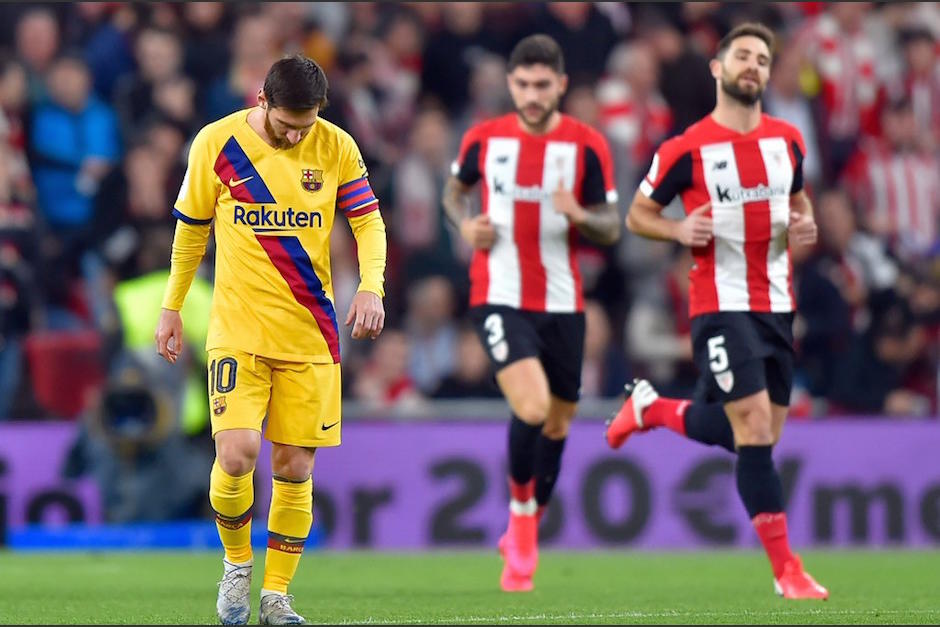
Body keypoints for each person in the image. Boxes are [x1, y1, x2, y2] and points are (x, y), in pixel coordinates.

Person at [154, 54, 387, 625]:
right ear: (262, 99)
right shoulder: (217, 143)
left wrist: (372, 288)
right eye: (287, 124)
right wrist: (172, 307)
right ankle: (236, 567)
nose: (296, 134)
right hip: (238, 329)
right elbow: (190, 233)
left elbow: (367, 221)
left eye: (306, 124)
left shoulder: (336, 146)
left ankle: (277, 595)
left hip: (311, 334)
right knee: (236, 455)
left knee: (293, 468)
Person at [605, 23, 829, 600]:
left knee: (754, 436)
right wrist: (678, 227)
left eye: (761, 58)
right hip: (718, 303)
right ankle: (788, 572)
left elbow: (800, 203)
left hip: (778, 306)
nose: (752, 65)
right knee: (753, 425)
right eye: (742, 56)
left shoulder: (788, 141)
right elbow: (637, 215)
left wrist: (805, 222)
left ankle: (651, 409)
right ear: (717, 68)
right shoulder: (685, 148)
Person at [442, 34, 620, 592]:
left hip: (563, 301)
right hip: (498, 293)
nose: (532, 94)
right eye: (523, 84)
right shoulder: (483, 139)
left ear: (561, 85)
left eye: (543, 85)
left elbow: (612, 228)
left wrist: (579, 215)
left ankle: (527, 519)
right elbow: (454, 193)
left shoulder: (587, 145)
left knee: (559, 422)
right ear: (511, 84)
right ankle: (522, 524)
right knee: (533, 403)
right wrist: (465, 225)